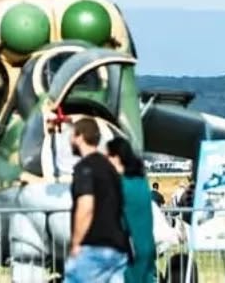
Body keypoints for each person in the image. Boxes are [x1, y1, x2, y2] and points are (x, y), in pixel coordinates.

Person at [65, 117, 129, 282]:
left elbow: (86, 206)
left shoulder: (84, 168)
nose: (70, 140)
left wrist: (76, 243)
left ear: (80, 137)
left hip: (93, 248)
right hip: (118, 249)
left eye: (71, 135)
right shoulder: (111, 169)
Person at [108, 136, 157, 283]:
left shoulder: (120, 185)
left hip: (129, 247)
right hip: (146, 244)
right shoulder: (141, 182)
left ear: (116, 158)